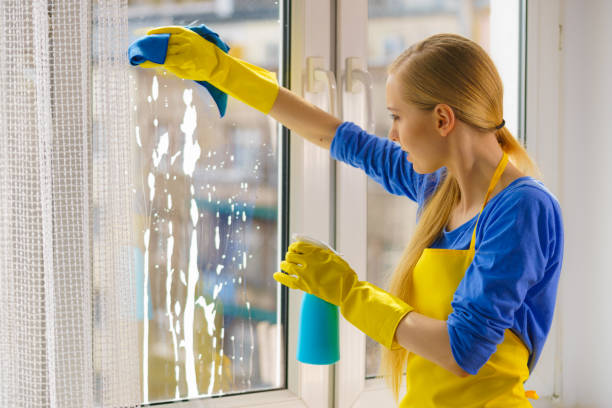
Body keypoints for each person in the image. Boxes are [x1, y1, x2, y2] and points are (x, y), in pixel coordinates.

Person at [135, 27, 564, 407]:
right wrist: (223, 72)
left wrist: (349, 292)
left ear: (442, 119)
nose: (392, 133)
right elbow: (338, 137)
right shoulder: (438, 187)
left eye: (397, 117)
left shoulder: (521, 208)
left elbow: (461, 350)